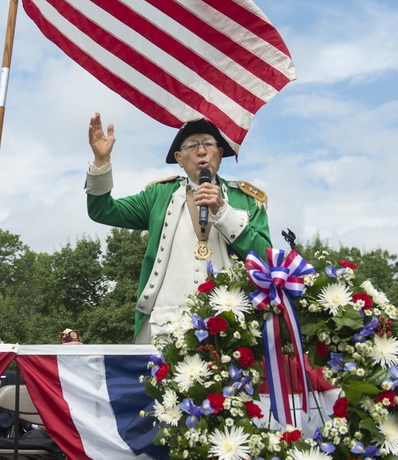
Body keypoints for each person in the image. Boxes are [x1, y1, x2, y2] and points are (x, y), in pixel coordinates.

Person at [86, 113, 272, 343]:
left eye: (208, 144)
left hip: (229, 329)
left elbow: (266, 260)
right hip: (164, 329)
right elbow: (102, 210)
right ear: (179, 158)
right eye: (192, 145)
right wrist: (101, 162)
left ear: (220, 153)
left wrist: (223, 211)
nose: (201, 151)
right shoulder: (158, 195)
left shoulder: (245, 199)